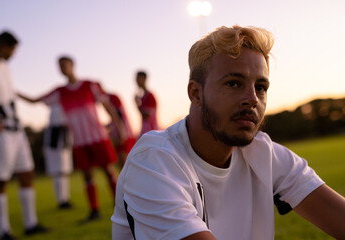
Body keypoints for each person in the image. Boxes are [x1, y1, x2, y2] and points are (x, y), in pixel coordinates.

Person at [111, 25, 345, 239]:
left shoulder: (264, 153)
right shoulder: (153, 160)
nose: (252, 99)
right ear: (196, 94)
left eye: (261, 88)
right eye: (233, 83)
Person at [18, 55, 126, 223]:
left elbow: (108, 107)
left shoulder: (90, 85)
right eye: (59, 66)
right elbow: (34, 101)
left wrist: (119, 129)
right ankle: (94, 210)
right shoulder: (59, 92)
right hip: (79, 141)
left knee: (108, 171)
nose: (62, 68)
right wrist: (13, 92)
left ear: (72, 65)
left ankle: (121, 206)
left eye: (64, 64)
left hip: (98, 137)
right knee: (87, 176)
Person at [0, 31, 49, 240]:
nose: (13, 54)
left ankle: (31, 224)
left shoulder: (5, 68)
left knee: (27, 173)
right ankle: (4, 231)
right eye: (12, 50)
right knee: (0, 180)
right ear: (2, 46)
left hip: (16, 129)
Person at [42, 104, 73, 209]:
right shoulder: (57, 107)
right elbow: (60, 124)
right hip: (55, 145)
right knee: (59, 173)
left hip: (63, 144)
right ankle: (62, 200)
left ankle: (65, 199)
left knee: (63, 173)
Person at [107, 93, 136, 168]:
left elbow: (119, 115)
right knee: (124, 166)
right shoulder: (110, 97)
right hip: (122, 134)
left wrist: (121, 134)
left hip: (123, 135)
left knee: (126, 166)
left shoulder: (111, 97)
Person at [134, 71, 159, 137]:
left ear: (144, 79)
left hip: (151, 132)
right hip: (146, 132)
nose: (136, 82)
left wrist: (137, 104)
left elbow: (146, 115)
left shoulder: (149, 96)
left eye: (138, 79)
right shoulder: (143, 97)